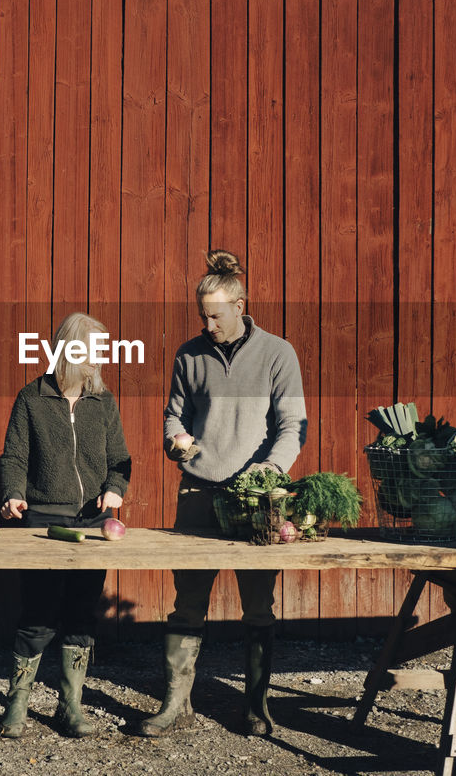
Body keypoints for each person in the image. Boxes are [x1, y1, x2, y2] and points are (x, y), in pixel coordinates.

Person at [141, 249, 307, 738]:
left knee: (258, 605)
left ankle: (256, 707)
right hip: (197, 490)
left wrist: (270, 472)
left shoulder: (278, 354)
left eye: (215, 314)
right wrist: (176, 439)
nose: (208, 324)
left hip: (257, 500)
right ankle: (175, 703)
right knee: (187, 602)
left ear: (240, 305)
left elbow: (292, 424)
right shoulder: (189, 355)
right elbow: (174, 413)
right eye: (202, 316)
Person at [0, 311, 131, 739]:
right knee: (37, 614)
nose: (98, 360)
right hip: (41, 521)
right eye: (92, 352)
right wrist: (12, 492)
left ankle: (70, 705)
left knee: (80, 613)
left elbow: (119, 460)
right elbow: (14, 457)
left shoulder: (104, 403)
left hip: (92, 522)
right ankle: (16, 704)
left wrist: (115, 488)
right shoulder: (31, 398)